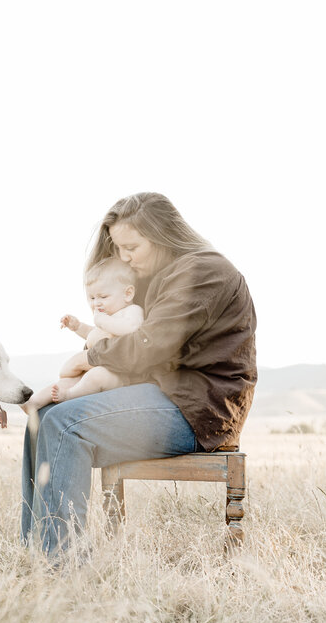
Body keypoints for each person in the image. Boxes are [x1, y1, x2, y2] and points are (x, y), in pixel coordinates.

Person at [21, 192, 257, 559]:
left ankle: (61, 567)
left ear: (162, 234)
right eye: (119, 249)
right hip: (165, 395)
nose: (124, 257)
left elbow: (148, 348)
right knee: (45, 415)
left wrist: (89, 356)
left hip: (199, 409)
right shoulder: (162, 275)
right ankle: (36, 550)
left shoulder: (204, 271)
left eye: (131, 247)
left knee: (66, 422)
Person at [21, 257, 144, 414]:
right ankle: (34, 402)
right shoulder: (107, 319)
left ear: (127, 294)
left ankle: (69, 395)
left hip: (119, 375)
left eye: (103, 297)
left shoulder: (131, 311)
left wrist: (103, 321)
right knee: (68, 381)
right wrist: (77, 326)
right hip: (93, 367)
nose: (96, 303)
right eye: (92, 298)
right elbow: (92, 334)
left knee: (96, 376)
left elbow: (131, 328)